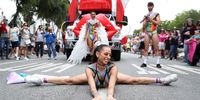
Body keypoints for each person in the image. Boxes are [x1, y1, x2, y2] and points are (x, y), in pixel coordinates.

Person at [25, 44, 178, 100]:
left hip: (107, 77)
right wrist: (97, 96)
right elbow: (92, 86)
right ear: (97, 54)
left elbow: (111, 85)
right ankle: (40, 78)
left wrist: (110, 96)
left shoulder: (113, 68)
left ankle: (162, 80)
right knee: (69, 80)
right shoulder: (89, 69)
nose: (108, 57)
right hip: (96, 77)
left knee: (133, 79)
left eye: (110, 55)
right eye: (105, 54)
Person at [140, 2, 161, 68]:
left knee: (156, 48)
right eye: (149, 6)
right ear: (147, 7)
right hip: (147, 32)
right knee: (146, 48)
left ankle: (158, 63)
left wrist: (151, 20)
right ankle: (144, 63)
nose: (150, 7)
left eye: (151, 6)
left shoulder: (156, 14)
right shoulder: (145, 15)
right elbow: (143, 26)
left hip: (154, 31)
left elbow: (158, 23)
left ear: (153, 6)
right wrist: (146, 20)